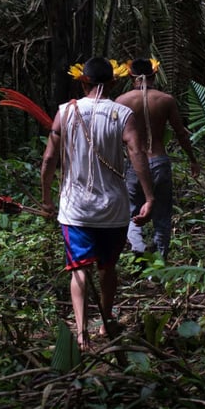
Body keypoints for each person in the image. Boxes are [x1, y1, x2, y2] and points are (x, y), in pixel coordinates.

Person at [40, 57, 156, 351]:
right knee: (108, 268)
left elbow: (49, 159)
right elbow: (138, 154)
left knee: (79, 270)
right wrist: (149, 196)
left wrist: (46, 198)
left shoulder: (65, 112)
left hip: (75, 209)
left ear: (83, 81)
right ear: (114, 82)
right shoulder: (123, 114)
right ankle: (105, 322)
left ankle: (81, 334)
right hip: (113, 210)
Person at [115, 58, 201, 263]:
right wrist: (192, 159)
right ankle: (161, 259)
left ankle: (139, 248)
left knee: (132, 212)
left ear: (130, 76)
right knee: (162, 214)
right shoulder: (165, 100)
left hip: (135, 164)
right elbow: (180, 132)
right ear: (154, 75)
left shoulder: (121, 101)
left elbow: (113, 136)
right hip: (159, 161)